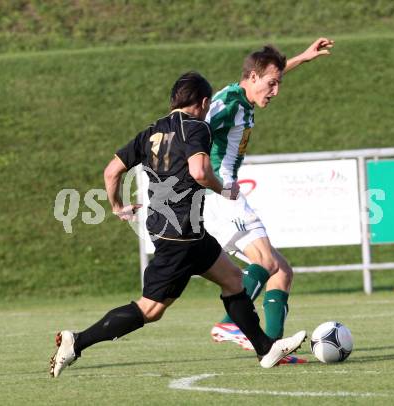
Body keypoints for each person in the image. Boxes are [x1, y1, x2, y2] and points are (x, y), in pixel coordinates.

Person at [49, 71, 307, 378]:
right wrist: (223, 188)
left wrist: (118, 207)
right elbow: (199, 171)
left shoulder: (151, 132)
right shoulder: (197, 127)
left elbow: (110, 172)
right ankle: (76, 341)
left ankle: (265, 349)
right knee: (149, 309)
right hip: (181, 234)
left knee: (233, 281)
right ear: (204, 102)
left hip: (179, 232)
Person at [204, 39, 334, 360]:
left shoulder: (246, 94)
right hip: (224, 194)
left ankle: (271, 349)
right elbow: (196, 127)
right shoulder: (230, 103)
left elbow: (269, 76)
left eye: (278, 83)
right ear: (251, 78)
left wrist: (303, 57)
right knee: (266, 261)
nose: (275, 91)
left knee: (281, 272)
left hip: (223, 197)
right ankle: (230, 322)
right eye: (271, 84)